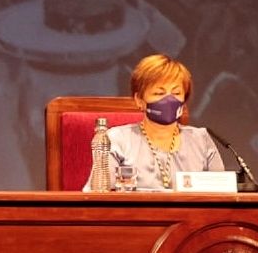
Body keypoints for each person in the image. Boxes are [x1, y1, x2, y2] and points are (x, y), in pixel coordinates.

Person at [85, 53, 222, 191]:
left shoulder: (201, 140)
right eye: (159, 93)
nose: (169, 100)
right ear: (139, 100)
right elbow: (98, 195)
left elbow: (222, 194)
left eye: (176, 93)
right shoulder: (117, 140)